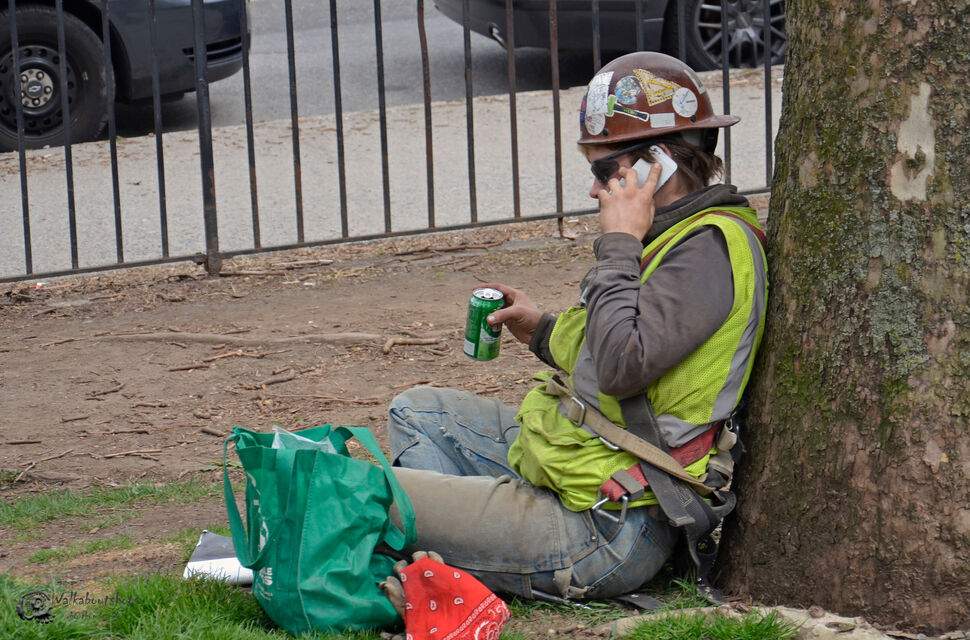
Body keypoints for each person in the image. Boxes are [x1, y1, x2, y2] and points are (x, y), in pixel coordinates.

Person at [385, 51, 769, 603]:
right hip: (579, 463)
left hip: (612, 524)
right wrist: (541, 329)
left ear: (656, 163)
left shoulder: (706, 252)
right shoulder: (675, 236)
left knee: (377, 495)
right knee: (418, 411)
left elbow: (621, 366)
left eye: (603, 171)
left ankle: (466, 558)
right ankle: (475, 550)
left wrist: (620, 243)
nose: (594, 190)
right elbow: (614, 341)